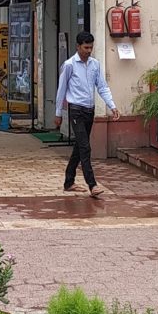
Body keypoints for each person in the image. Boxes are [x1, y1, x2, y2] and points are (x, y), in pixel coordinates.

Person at [54, 32, 120, 198]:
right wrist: (58, 113)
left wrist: (112, 106)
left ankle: (69, 182)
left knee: (79, 147)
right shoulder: (69, 65)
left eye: (91, 47)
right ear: (78, 47)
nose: (89, 51)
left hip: (89, 110)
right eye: (86, 47)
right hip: (76, 109)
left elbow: (102, 87)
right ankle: (92, 185)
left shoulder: (95, 64)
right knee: (85, 147)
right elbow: (61, 89)